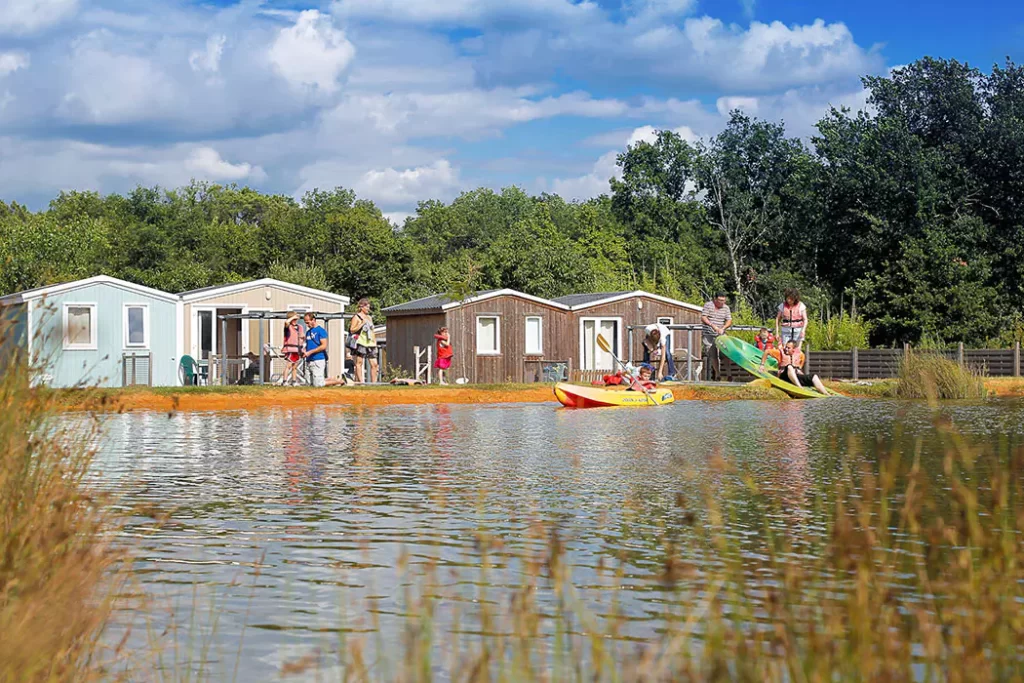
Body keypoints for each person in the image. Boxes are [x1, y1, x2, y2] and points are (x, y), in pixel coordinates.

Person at [758, 339, 828, 394]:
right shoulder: (780, 352)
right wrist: (762, 365)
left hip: (795, 376)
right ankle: (799, 387)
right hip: (784, 376)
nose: (786, 349)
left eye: (788, 348)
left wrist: (799, 369)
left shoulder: (800, 354)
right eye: (786, 347)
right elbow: (767, 351)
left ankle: (826, 393)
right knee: (789, 367)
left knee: (814, 376)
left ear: (793, 350)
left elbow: (800, 364)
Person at [700, 292, 733, 381]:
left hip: (721, 333)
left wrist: (723, 328)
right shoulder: (708, 305)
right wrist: (712, 325)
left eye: (723, 300)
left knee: (725, 353)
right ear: (715, 299)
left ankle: (729, 374)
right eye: (720, 300)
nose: (722, 302)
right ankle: (717, 374)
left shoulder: (726, 308)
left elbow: (729, 320)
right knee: (713, 354)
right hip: (709, 334)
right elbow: (704, 317)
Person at [349, 298, 378, 384]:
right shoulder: (356, 317)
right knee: (359, 362)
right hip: (361, 342)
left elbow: (372, 330)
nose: (368, 309)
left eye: (369, 307)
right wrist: (361, 323)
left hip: (370, 343)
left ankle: (374, 384)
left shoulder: (369, 317)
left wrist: (374, 340)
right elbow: (352, 330)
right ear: (362, 307)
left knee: (374, 364)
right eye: (367, 307)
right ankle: (361, 383)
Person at [302, 312, 328, 387]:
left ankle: (337, 381)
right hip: (309, 360)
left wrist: (310, 352)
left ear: (313, 320)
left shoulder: (321, 331)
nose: (307, 325)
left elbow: (324, 346)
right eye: (305, 323)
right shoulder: (308, 332)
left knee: (318, 384)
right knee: (308, 383)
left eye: (308, 322)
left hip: (318, 360)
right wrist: (304, 350)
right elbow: (307, 345)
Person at [281, 313, 302, 386]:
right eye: (294, 319)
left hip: (297, 349)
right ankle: (284, 381)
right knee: (288, 365)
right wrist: (292, 317)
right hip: (290, 349)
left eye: (296, 319)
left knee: (295, 366)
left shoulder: (299, 327)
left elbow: (301, 337)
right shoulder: (288, 327)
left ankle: (294, 381)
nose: (295, 320)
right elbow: (286, 322)